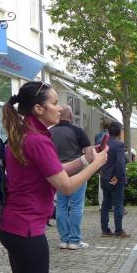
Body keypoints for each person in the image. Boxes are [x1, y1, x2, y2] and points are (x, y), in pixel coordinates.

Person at [0, 80, 108, 273]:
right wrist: (97, 164)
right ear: (38, 108)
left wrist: (85, 160)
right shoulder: (36, 140)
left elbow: (53, 170)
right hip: (27, 228)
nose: (60, 108)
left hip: (13, 224)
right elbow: (66, 186)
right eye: (55, 102)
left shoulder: (25, 134)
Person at [49, 105, 92, 250]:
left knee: (61, 205)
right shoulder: (77, 131)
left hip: (58, 173)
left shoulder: (50, 132)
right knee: (76, 205)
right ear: (71, 116)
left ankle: (64, 239)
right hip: (77, 173)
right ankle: (74, 240)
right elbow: (88, 153)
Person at [100, 122, 129, 238]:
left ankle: (105, 230)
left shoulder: (103, 143)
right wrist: (118, 176)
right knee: (118, 204)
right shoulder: (119, 145)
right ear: (119, 132)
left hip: (104, 177)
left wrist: (101, 171)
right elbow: (120, 163)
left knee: (105, 204)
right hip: (114, 179)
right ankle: (118, 230)